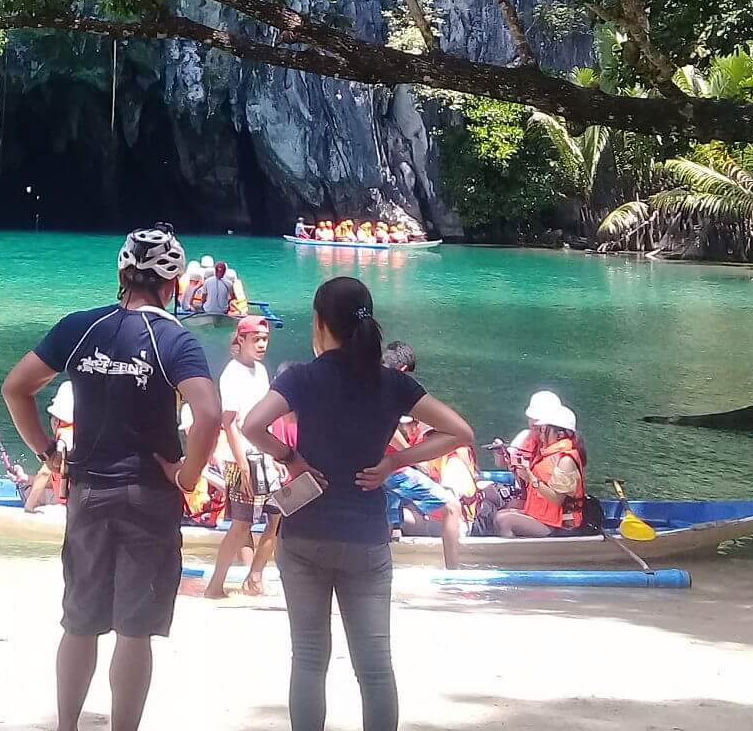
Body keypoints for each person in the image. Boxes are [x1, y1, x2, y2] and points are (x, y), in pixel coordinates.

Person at [2, 226, 220, 731]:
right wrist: (187, 475)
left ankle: (66, 727)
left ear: (122, 274)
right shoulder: (175, 339)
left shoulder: (81, 328)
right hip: (149, 496)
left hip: (90, 491)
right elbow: (209, 415)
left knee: (79, 622)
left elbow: (17, 388)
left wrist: (47, 452)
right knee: (134, 631)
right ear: (173, 284)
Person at [242, 277, 474, 731]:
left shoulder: (302, 378)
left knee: (309, 659)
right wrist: (396, 461)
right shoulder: (391, 384)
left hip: (306, 531)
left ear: (319, 323)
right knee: (374, 667)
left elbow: (253, 425)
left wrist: (292, 459)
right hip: (366, 536)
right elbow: (461, 432)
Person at [380, 342, 481, 570]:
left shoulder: (367, 379)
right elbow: (391, 431)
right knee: (452, 508)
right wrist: (409, 457)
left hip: (369, 465)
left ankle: (385, 565)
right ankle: (453, 573)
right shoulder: (393, 385)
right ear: (403, 369)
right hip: (391, 469)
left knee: (386, 515)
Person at [206, 316, 281, 599]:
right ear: (242, 340)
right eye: (256, 339)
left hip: (264, 454)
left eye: (264, 339)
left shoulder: (261, 371)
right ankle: (216, 584)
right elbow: (230, 423)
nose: (262, 345)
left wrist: (274, 454)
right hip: (242, 456)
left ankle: (255, 576)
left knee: (276, 517)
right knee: (241, 525)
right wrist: (242, 464)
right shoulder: (231, 373)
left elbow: (266, 417)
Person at [492, 403, 586, 538]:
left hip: (560, 524)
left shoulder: (566, 461)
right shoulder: (548, 454)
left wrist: (532, 479)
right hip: (545, 516)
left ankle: (512, 555)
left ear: (560, 434)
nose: (540, 435)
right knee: (501, 514)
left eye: (544, 430)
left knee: (505, 521)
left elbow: (558, 499)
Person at [20, 381, 76, 513]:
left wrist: (29, 508)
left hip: (69, 508)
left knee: (27, 491)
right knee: (29, 485)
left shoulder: (64, 439)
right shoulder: (84, 435)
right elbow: (59, 477)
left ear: (56, 421)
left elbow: (45, 473)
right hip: (82, 500)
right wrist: (26, 478)